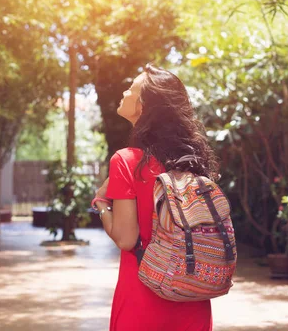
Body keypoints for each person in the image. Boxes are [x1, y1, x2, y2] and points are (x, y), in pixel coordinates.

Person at [92, 64, 219, 331]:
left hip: (143, 298)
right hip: (192, 298)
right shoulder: (193, 161)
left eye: (131, 88)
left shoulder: (126, 161)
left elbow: (126, 239)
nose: (124, 92)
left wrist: (102, 205)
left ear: (143, 105)